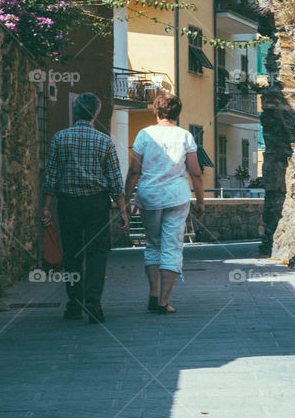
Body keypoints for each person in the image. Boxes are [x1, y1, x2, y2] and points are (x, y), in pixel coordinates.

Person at [42, 92, 128, 323]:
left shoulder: (60, 138)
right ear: (96, 113)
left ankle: (74, 303)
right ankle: (93, 303)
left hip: (68, 203)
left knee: (72, 254)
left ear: (75, 111)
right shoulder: (105, 142)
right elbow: (115, 182)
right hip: (96, 204)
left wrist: (46, 207)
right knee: (97, 254)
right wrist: (122, 210)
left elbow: (51, 177)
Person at [124, 93, 205, 314]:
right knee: (172, 245)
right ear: (178, 113)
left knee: (152, 244)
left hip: (149, 196)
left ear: (156, 111)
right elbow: (195, 173)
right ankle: (163, 301)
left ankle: (152, 294)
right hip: (176, 197)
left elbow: (134, 170)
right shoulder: (185, 136)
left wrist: (125, 200)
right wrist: (201, 201)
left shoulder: (144, 135)